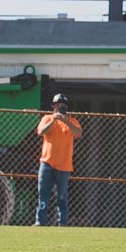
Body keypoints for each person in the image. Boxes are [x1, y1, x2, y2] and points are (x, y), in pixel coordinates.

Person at [34, 93, 82, 226]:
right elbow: (41, 132)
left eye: (63, 106)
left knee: (62, 197)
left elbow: (78, 134)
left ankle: (62, 224)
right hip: (47, 163)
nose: (60, 108)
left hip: (64, 166)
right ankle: (40, 222)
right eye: (58, 106)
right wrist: (54, 120)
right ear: (53, 107)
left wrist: (65, 120)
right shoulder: (47, 118)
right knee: (43, 194)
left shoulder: (72, 121)